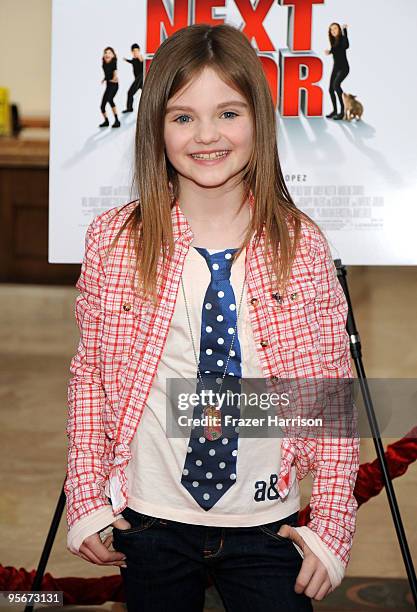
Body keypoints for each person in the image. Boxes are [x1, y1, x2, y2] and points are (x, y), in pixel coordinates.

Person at [65, 23, 360, 612]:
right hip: (148, 522)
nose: (206, 135)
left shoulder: (301, 246)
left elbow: (330, 394)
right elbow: (90, 381)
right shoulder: (115, 241)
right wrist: (85, 499)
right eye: (182, 117)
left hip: (268, 523)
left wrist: (331, 527)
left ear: (259, 120)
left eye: (228, 113)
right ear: (156, 127)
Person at [324, 23, 350, 120]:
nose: (333, 31)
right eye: (331, 29)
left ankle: (343, 112)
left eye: (335, 28)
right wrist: (329, 52)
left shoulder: (343, 38)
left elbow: (346, 46)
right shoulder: (334, 40)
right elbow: (336, 49)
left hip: (344, 68)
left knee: (336, 86)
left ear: (339, 29)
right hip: (336, 67)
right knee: (330, 89)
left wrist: (345, 31)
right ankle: (335, 111)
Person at [99, 46, 120, 128]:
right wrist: (104, 79)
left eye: (109, 53)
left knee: (110, 99)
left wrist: (114, 77)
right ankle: (106, 121)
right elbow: (107, 74)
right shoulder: (104, 63)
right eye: (105, 53)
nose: (107, 54)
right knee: (102, 106)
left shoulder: (113, 63)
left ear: (113, 56)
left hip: (114, 85)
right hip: (108, 85)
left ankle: (117, 121)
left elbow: (115, 71)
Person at [122, 44, 144, 113]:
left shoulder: (140, 57)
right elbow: (132, 62)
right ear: (132, 52)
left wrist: (141, 58)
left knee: (130, 92)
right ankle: (130, 108)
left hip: (140, 78)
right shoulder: (133, 59)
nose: (135, 52)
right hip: (139, 80)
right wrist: (126, 60)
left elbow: (144, 62)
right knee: (132, 93)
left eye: (137, 51)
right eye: (134, 51)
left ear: (139, 51)